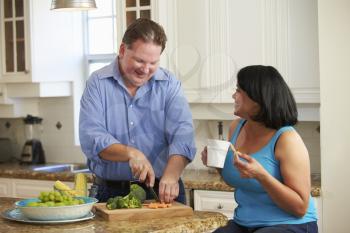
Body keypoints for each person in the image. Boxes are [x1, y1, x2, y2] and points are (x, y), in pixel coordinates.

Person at [79, 18, 196, 204]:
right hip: (110, 192)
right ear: (123, 50)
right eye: (140, 60)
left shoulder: (169, 84)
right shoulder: (98, 83)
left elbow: (183, 134)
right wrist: (131, 153)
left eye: (153, 63)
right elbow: (91, 136)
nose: (146, 69)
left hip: (163, 189)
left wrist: (172, 175)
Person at [201, 65, 318, 232]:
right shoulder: (236, 127)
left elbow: (300, 207)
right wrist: (217, 165)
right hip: (244, 224)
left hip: (291, 224)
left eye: (239, 91)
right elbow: (237, 179)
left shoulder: (287, 139)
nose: (234, 95)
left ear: (259, 99)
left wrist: (262, 175)